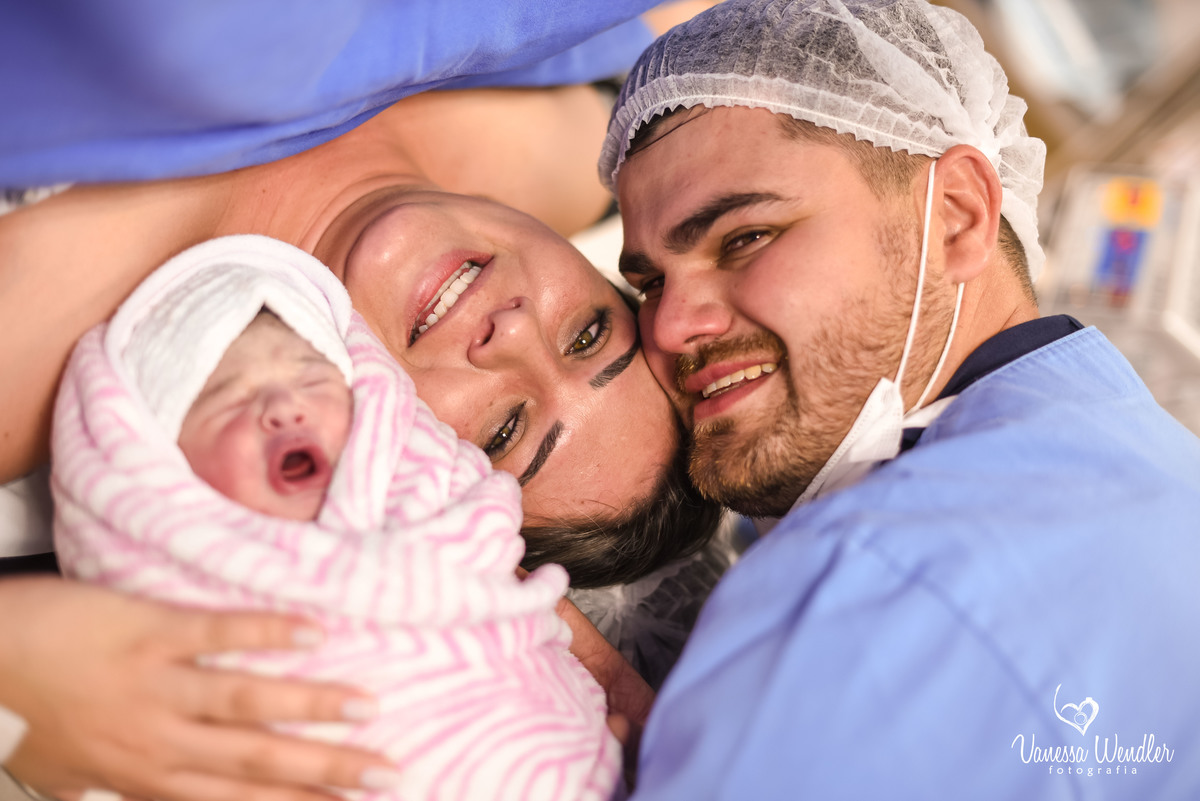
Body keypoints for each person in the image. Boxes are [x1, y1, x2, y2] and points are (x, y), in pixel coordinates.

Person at [0, 4, 722, 799]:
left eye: (505, 428)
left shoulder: (29, 351)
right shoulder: (579, 150)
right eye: (587, 333)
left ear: (403, 480)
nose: (515, 332)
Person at [601, 0, 1200, 798]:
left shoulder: (861, 587)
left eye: (744, 238)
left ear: (957, 217)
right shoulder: (1146, 463)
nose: (672, 326)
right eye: (649, 284)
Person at [52, 235, 625, 800]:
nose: (283, 407)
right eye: (587, 335)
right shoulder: (200, 612)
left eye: (503, 432)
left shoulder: (444, 547)